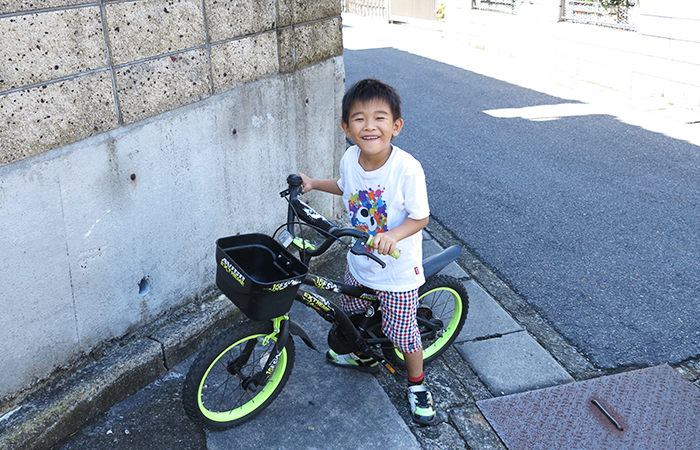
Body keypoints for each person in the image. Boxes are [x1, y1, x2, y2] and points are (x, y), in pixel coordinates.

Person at [299, 78, 435, 425]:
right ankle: (364, 355)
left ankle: (417, 384)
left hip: (396, 272)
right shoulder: (350, 157)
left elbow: (420, 217)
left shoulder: (406, 169)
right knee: (353, 309)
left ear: (396, 126)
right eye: (359, 118)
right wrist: (314, 184)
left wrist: (393, 235)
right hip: (359, 262)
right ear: (346, 127)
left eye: (380, 118)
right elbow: (345, 186)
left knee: (403, 333)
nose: (369, 126)